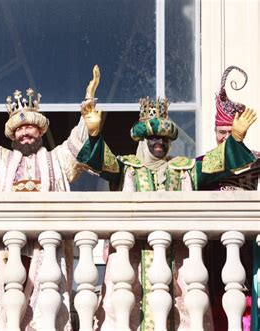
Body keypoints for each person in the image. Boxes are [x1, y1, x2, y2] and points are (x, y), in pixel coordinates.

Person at [76, 65, 257, 330]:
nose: (159, 142)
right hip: (133, 265)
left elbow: (214, 164)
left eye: (164, 137)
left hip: (177, 266)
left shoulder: (183, 169)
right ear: (143, 140)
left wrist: (236, 140)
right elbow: (102, 162)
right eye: (153, 137)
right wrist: (93, 135)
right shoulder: (127, 168)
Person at [0, 69, 90, 329]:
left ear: (40, 131)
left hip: (44, 248)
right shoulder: (1, 160)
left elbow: (79, 144)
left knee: (43, 306)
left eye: (30, 127)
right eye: (20, 129)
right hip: (6, 248)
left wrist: (87, 112)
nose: (25, 133)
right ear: (13, 135)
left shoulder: (56, 159)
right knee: (4, 308)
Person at [197, 65, 260, 331]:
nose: (223, 138)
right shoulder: (202, 162)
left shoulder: (256, 159)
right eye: (220, 133)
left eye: (228, 132)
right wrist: (234, 141)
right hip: (213, 244)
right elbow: (206, 173)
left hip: (246, 242)